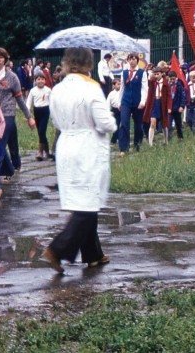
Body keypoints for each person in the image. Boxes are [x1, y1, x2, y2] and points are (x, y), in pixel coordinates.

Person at [41, 47, 117, 274]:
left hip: (66, 145)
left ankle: (93, 254)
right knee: (88, 203)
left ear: (66, 63)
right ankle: (57, 249)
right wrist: (111, 123)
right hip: (87, 146)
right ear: (88, 65)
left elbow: (55, 121)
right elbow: (105, 123)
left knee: (83, 199)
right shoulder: (91, 88)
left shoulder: (58, 89)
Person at [0, 47, 35, 184]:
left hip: (7, 114)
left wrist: (29, 117)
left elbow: (20, 99)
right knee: (6, 144)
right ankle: (9, 169)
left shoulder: (12, 77)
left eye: (1, 57)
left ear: (5, 60)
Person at [118, 52, 148, 156]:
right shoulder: (124, 72)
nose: (132, 61)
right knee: (124, 124)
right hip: (126, 101)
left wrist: (143, 101)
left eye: (134, 59)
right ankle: (123, 148)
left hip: (137, 102)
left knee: (138, 125)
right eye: (130, 59)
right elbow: (121, 88)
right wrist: (119, 102)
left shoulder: (142, 72)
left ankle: (137, 145)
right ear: (128, 60)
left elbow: (145, 88)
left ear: (137, 61)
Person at [26, 72, 53, 161]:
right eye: (38, 79)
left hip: (45, 111)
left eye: (42, 79)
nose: (40, 81)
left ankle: (40, 152)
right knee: (40, 132)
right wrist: (28, 114)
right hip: (37, 111)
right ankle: (47, 152)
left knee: (42, 130)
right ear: (35, 81)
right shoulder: (33, 91)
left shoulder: (48, 90)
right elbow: (29, 103)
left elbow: (52, 102)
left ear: (45, 80)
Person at [142, 67, 170, 145]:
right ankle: (150, 143)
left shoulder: (165, 83)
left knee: (164, 123)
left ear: (162, 74)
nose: (156, 76)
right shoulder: (152, 82)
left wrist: (169, 107)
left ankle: (166, 140)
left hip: (162, 103)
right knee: (153, 122)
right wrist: (149, 73)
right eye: (155, 74)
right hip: (154, 104)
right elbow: (147, 82)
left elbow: (169, 96)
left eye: (158, 74)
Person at [167, 70, 186, 140]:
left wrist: (182, 106)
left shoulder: (179, 85)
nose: (172, 80)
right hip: (169, 108)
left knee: (178, 124)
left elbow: (183, 96)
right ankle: (169, 139)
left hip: (177, 107)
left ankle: (180, 138)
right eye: (171, 79)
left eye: (173, 79)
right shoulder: (167, 85)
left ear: (176, 78)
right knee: (168, 124)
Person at [106, 79, 121, 145]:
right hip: (115, 110)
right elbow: (108, 104)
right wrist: (109, 112)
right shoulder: (111, 94)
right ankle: (114, 139)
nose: (119, 86)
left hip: (122, 109)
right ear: (114, 85)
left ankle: (118, 138)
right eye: (118, 84)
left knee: (121, 125)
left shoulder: (122, 92)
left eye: (120, 84)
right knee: (116, 124)